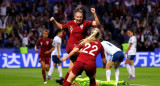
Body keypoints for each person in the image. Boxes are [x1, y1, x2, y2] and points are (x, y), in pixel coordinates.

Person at [50, 7, 100, 83]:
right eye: (77, 17)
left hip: (79, 46)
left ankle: (65, 82)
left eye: (80, 17)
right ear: (74, 17)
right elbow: (61, 26)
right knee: (86, 53)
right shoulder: (70, 23)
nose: (79, 19)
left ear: (82, 17)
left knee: (71, 68)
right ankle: (82, 73)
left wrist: (94, 13)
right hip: (71, 46)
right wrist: (54, 21)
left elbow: (97, 23)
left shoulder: (86, 23)